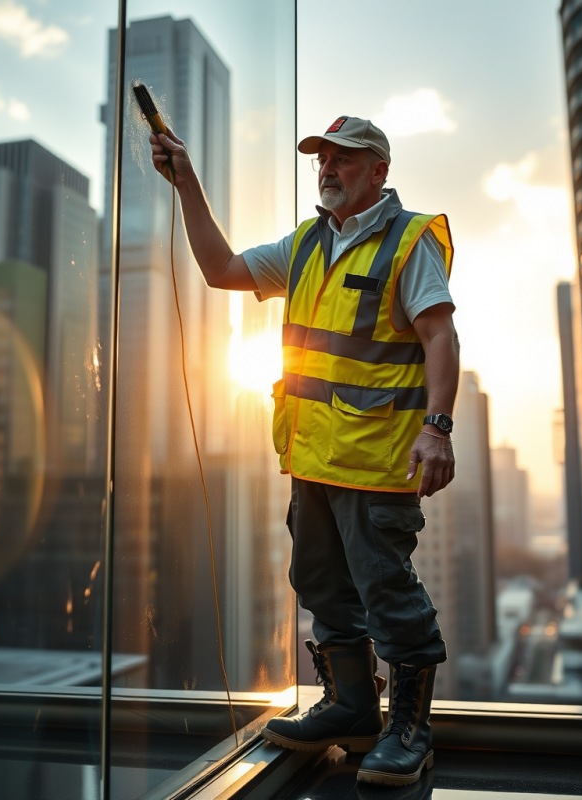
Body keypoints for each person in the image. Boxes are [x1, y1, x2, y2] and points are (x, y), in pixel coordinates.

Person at [149, 115, 459, 787]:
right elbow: (221, 269)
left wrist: (438, 426)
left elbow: (439, 336)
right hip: (312, 460)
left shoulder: (408, 243)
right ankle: (351, 708)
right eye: (322, 158)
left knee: (386, 590)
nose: (327, 168)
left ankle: (411, 729)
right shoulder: (307, 245)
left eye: (344, 159)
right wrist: (187, 184)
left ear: (378, 171)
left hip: (376, 464)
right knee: (320, 585)